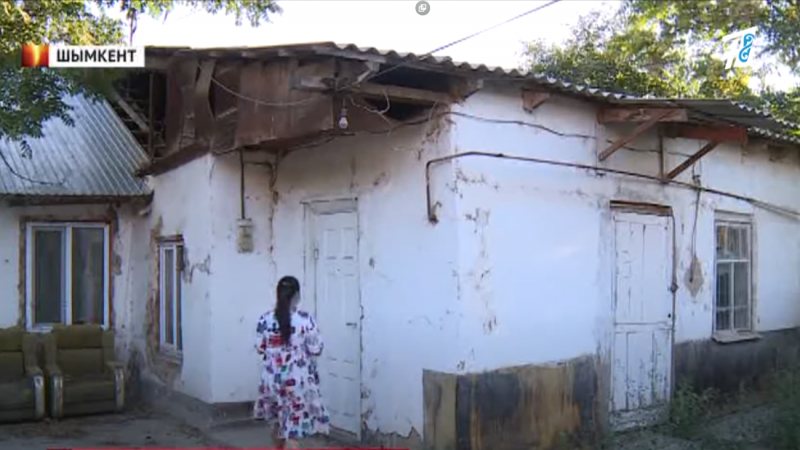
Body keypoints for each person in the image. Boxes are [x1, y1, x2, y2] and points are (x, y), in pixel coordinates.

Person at [253, 276, 330, 449]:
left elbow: (260, 348)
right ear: (297, 296)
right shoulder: (305, 320)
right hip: (296, 382)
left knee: (277, 426)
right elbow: (316, 349)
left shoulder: (264, 319)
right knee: (293, 432)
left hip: (272, 381)